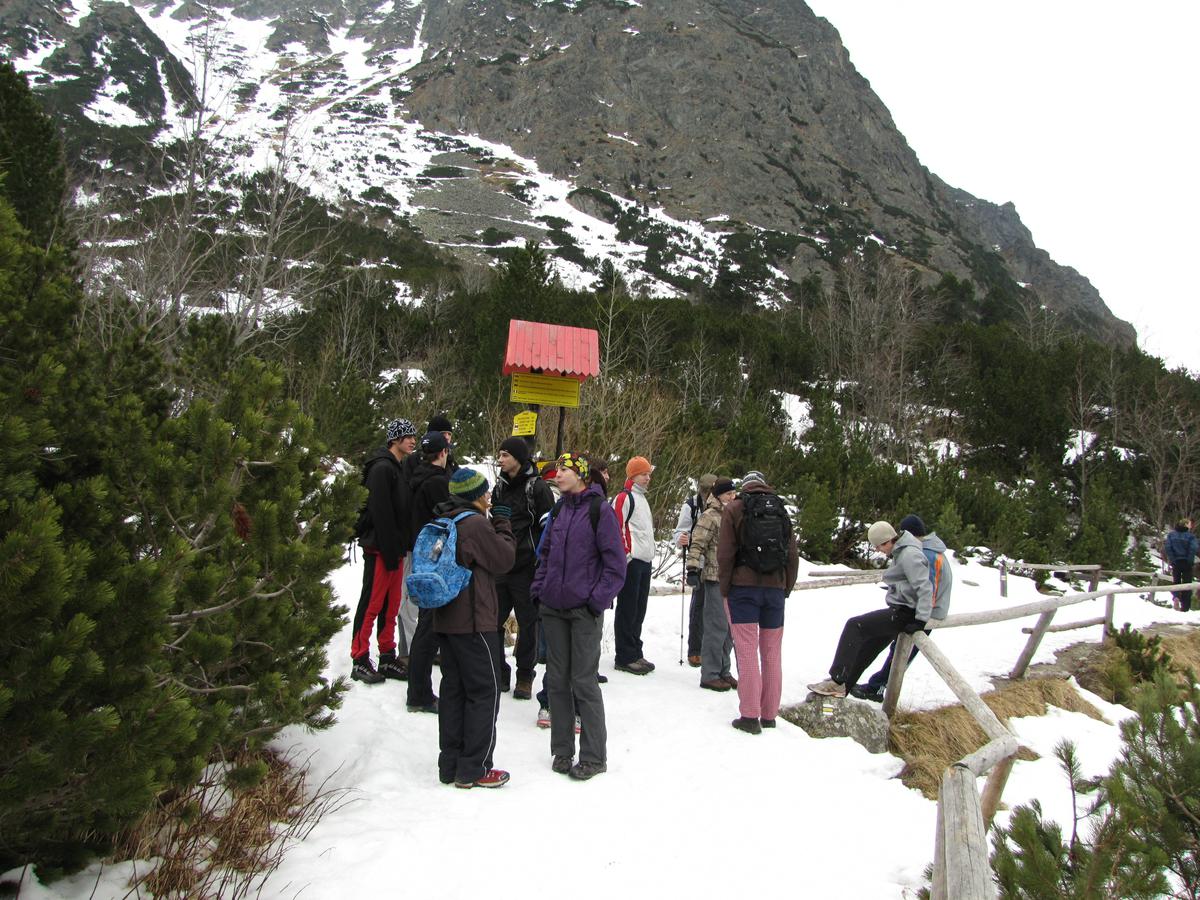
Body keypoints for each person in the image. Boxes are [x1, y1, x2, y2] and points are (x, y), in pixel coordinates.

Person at [530, 453, 627, 780]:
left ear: (582, 476)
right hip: (553, 609)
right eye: (557, 469)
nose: (558, 474)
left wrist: (594, 602)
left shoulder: (600, 511)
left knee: (583, 681)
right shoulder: (559, 509)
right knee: (556, 680)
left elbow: (616, 567)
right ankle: (561, 751)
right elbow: (544, 554)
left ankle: (594, 756)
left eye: (566, 469)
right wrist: (539, 589)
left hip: (583, 611)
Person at [431, 467, 516, 789]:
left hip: (446, 620)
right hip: (474, 621)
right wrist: (504, 525)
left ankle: (449, 764)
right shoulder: (475, 523)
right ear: (476, 496)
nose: (489, 497)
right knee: (484, 691)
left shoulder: (443, 520)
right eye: (486, 492)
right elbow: (504, 559)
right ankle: (474, 768)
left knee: (453, 690)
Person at [808, 520, 932, 701]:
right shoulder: (902, 552)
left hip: (905, 613)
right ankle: (843, 687)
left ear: (888, 540)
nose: (878, 550)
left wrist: (920, 620)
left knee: (855, 625)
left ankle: (837, 680)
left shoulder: (909, 555)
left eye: (878, 546)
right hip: (902, 609)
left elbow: (925, 588)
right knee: (869, 647)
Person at [718, 471, 799, 734]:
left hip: (743, 589)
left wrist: (725, 586)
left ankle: (750, 715)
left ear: (745, 486)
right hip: (774, 589)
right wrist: (785, 587)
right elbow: (792, 555)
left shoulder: (735, 508)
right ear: (765, 485)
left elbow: (726, 552)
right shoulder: (780, 510)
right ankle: (769, 714)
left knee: (746, 650)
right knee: (772, 653)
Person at [851, 514, 953, 702]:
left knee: (902, 650)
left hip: (927, 613)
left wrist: (921, 618)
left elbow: (926, 588)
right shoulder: (928, 550)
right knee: (898, 648)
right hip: (926, 610)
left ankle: (878, 687)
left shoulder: (925, 553)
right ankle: (877, 685)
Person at [350, 418, 418, 684]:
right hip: (380, 549)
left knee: (391, 605)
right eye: (407, 436)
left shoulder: (397, 468)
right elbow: (381, 513)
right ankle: (360, 657)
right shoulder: (381, 469)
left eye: (413, 435)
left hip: (395, 549)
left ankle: (387, 655)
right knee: (372, 604)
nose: (413, 440)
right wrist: (390, 551)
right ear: (395, 440)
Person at [491, 436, 554, 699]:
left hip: (527, 567)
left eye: (505, 455)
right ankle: (498, 670)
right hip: (500, 566)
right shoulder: (499, 487)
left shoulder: (537, 488)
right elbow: (494, 521)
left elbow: (549, 528)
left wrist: (540, 559)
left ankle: (525, 676)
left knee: (528, 624)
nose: (500, 459)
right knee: (492, 620)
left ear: (518, 457)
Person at [405, 431, 453, 713]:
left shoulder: (415, 477)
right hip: (433, 559)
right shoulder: (437, 483)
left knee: (427, 622)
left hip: (420, 554)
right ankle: (419, 694)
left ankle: (418, 690)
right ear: (443, 453)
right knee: (429, 626)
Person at [685, 477, 738, 692]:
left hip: (733, 579)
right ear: (718, 495)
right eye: (727, 494)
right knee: (716, 627)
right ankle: (710, 673)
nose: (732, 497)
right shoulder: (709, 516)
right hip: (715, 577)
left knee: (729, 630)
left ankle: (724, 670)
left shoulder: (734, 515)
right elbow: (697, 543)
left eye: (733, 494)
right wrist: (692, 569)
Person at [613, 456, 656, 675]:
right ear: (632, 475)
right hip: (631, 563)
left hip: (645, 561)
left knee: (639, 610)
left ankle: (635, 651)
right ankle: (624, 655)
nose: (648, 478)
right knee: (627, 609)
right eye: (643, 474)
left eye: (649, 474)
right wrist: (626, 556)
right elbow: (616, 527)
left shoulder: (642, 499)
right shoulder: (624, 497)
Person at [675, 474, 719, 667]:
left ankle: (710, 649)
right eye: (705, 489)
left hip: (717, 561)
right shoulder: (691, 505)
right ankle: (695, 650)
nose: (708, 493)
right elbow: (680, 530)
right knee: (699, 606)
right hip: (698, 560)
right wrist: (681, 538)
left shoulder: (723, 504)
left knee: (715, 608)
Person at [1165, 520, 1199, 612]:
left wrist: (1173, 559)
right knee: (1187, 584)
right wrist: (1190, 560)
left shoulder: (1171, 535)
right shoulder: (1190, 536)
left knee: (1176, 582)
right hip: (1186, 562)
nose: (1190, 526)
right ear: (1185, 525)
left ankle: (1176, 597)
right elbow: (1193, 548)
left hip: (1176, 562)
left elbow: (1168, 547)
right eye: (1189, 524)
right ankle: (1185, 607)